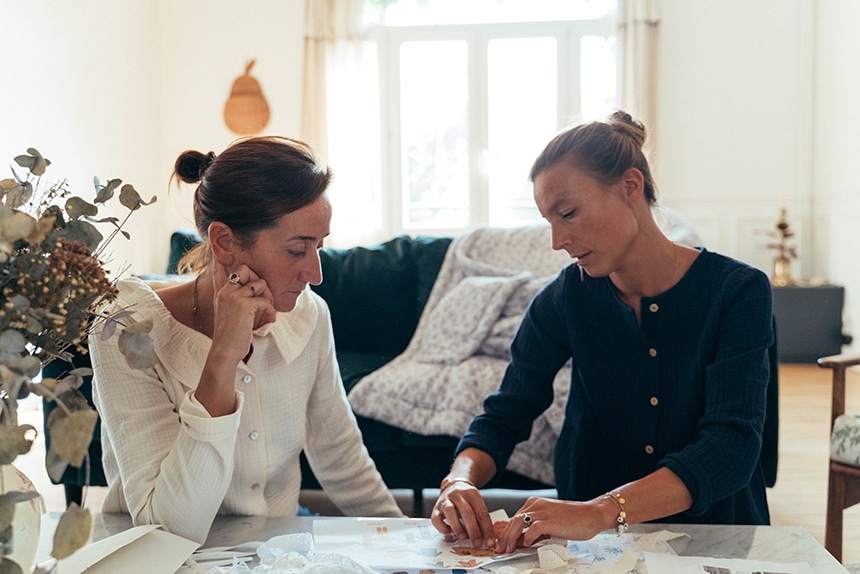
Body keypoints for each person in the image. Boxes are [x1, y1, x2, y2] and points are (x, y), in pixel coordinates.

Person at [430, 111, 773, 553]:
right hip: (596, 548)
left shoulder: (737, 291)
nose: (556, 240)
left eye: (568, 214)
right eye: (549, 220)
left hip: (713, 533)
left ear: (631, 186)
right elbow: (505, 414)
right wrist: (459, 480)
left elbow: (731, 448)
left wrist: (598, 512)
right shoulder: (563, 297)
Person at [91, 136, 404, 543]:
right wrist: (223, 356)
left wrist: (408, 543)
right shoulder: (126, 328)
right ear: (224, 242)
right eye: (297, 251)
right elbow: (169, 530)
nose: (316, 274)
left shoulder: (309, 315)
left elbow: (340, 454)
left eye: (320, 248)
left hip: (276, 553)